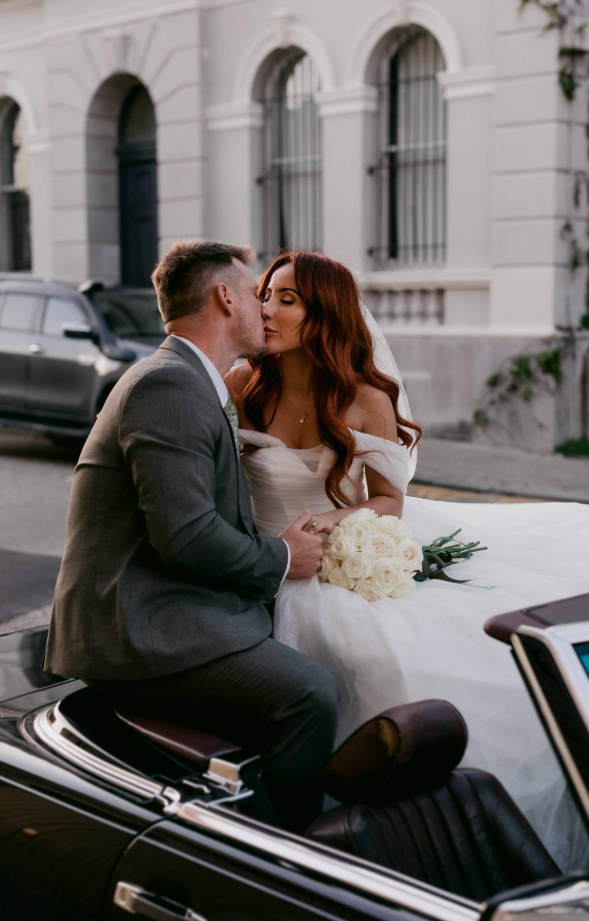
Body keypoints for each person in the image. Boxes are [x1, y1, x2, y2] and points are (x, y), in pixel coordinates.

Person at [225, 250, 589, 869]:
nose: (267, 309)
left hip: (331, 547)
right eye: (266, 294)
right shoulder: (243, 384)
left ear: (324, 315)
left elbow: (389, 500)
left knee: (395, 657)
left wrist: (324, 527)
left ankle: (409, 833)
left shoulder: (365, 398)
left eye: (287, 299)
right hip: (258, 555)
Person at [43, 239, 339, 832]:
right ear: (224, 297)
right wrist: (283, 556)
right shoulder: (167, 385)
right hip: (135, 626)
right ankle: (292, 859)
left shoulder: (192, 379)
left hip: (164, 606)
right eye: (256, 292)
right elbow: (185, 536)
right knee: (310, 693)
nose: (263, 307)